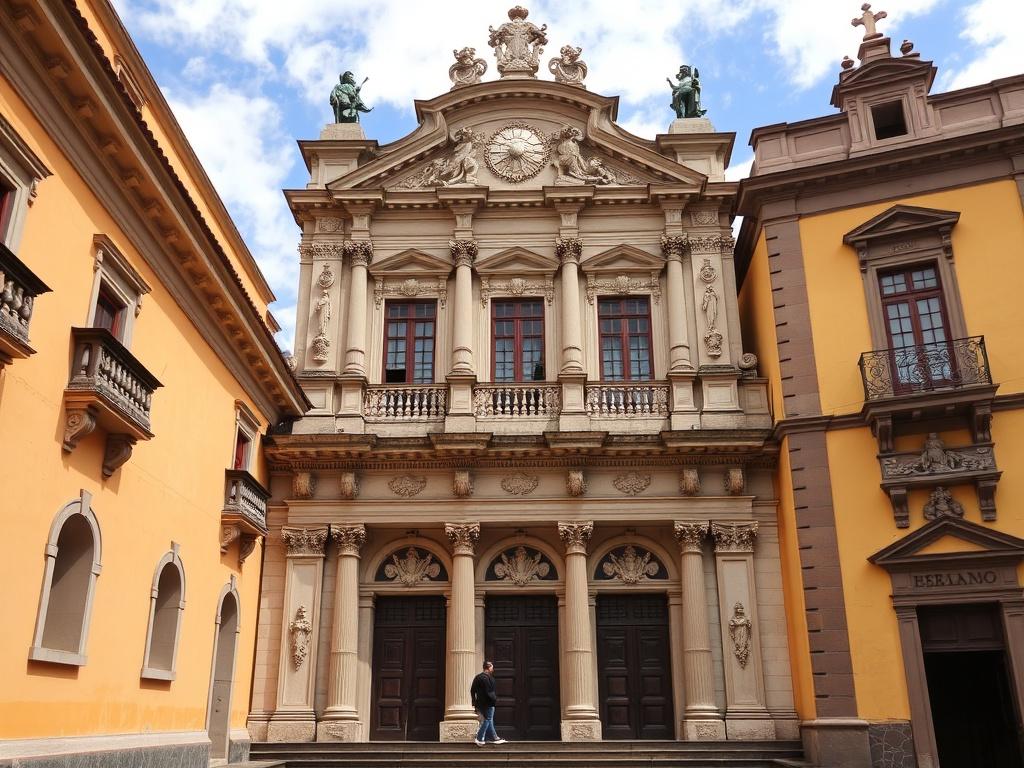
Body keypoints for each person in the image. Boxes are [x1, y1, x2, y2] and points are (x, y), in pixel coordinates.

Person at [470, 661, 506, 746]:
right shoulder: (488, 678)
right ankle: (479, 738)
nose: (493, 669)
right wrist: (494, 700)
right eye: (492, 667)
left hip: (479, 703)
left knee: (489, 720)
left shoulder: (477, 677)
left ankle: (494, 738)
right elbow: (489, 692)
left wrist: (474, 701)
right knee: (487, 720)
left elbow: (472, 690)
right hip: (488, 703)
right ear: (489, 667)